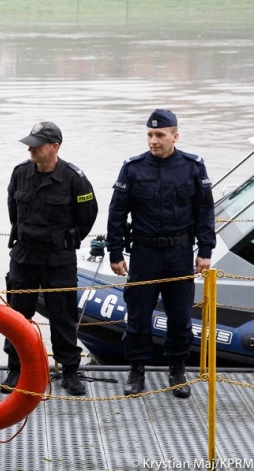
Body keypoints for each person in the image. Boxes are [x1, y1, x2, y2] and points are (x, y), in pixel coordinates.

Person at [107, 109, 215, 399]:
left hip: (180, 253)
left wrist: (205, 249)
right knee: (138, 315)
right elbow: (117, 212)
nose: (153, 141)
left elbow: (205, 210)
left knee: (180, 316)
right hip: (144, 254)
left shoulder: (193, 167)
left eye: (159, 135)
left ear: (175, 136)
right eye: (150, 135)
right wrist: (115, 252)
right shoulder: (133, 168)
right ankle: (136, 370)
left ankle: (177, 370)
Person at [1, 121, 98, 396]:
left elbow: (87, 215)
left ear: (54, 147)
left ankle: (69, 371)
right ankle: (16, 368)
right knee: (17, 316)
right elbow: (13, 210)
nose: (30, 149)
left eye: (37, 144)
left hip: (58, 258)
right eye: (30, 144)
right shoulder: (20, 173)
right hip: (25, 256)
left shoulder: (74, 178)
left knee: (63, 316)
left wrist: (68, 239)